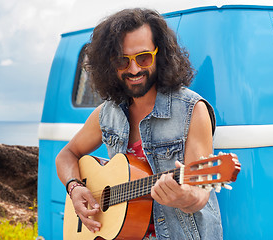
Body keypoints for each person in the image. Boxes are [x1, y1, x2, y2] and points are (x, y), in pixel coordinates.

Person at [56, 8, 224, 240]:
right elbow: (66, 155)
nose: (134, 69)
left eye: (143, 58)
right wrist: (75, 188)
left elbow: (200, 194)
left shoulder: (192, 110)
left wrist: (183, 197)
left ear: (161, 54)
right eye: (122, 61)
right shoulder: (107, 113)